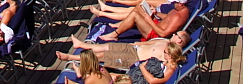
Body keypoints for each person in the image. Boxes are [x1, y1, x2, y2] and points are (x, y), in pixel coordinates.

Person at [57, 31, 191, 73]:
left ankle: (70, 57)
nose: (174, 34)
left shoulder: (170, 53)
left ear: (179, 41)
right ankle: (80, 44)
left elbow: (166, 66)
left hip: (133, 59)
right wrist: (137, 43)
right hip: (134, 49)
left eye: (177, 35)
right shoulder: (165, 41)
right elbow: (149, 42)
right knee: (107, 46)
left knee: (102, 56)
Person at [98, 0, 191, 42]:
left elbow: (164, 34)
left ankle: (114, 34)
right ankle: (121, 24)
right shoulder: (180, 9)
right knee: (140, 6)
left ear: (181, 4)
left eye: (175, 2)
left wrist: (149, 21)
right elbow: (168, 18)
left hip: (155, 34)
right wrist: (156, 13)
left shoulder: (178, 17)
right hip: (157, 25)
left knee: (135, 15)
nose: (172, 3)